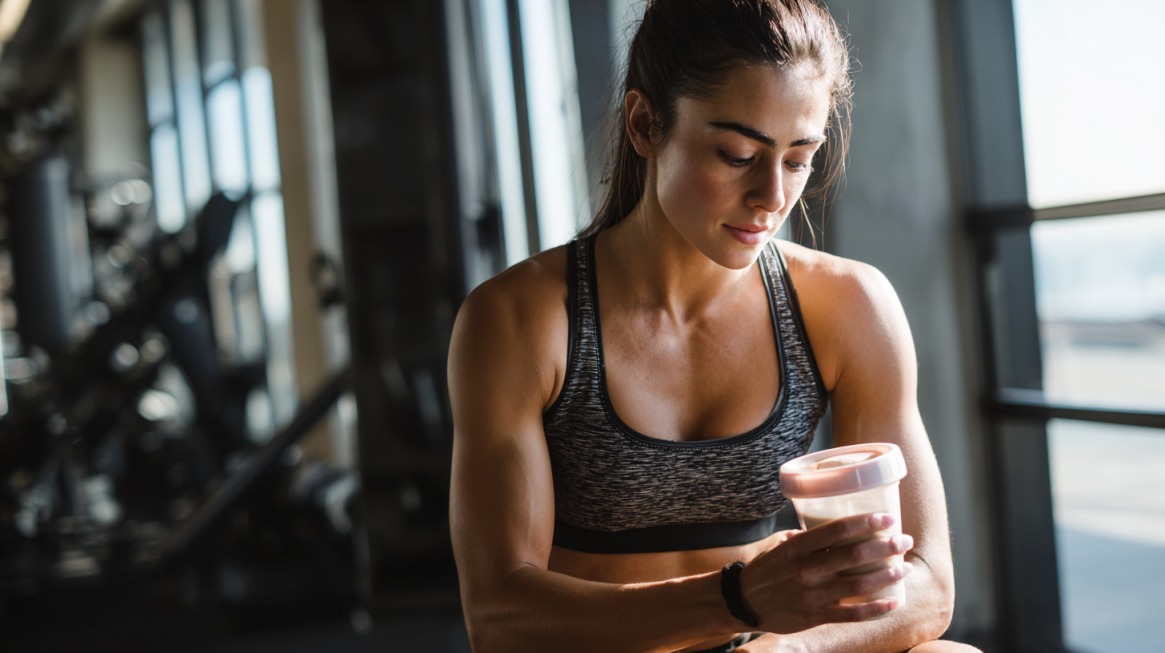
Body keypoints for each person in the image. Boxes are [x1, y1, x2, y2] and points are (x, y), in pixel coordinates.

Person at [448, 1, 980, 651]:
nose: (771, 197)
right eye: (735, 154)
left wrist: (783, 646)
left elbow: (925, 584)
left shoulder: (845, 304)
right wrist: (737, 597)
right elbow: (499, 614)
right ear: (646, 124)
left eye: (796, 158)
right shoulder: (520, 318)